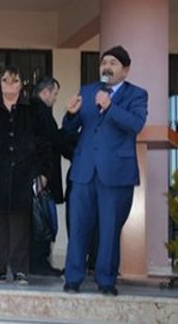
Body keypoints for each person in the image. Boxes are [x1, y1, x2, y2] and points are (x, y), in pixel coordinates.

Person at [62, 46, 148, 296]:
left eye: (113, 63)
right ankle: (73, 278)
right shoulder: (87, 91)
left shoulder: (137, 95)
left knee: (110, 229)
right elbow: (70, 129)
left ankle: (106, 280)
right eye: (104, 62)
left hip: (116, 173)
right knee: (78, 227)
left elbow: (136, 124)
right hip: (84, 170)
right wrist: (70, 114)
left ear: (125, 69)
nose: (106, 67)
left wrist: (110, 107)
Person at [0, 66, 49, 286]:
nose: (10, 85)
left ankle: (19, 270)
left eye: (14, 81)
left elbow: (44, 143)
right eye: (5, 81)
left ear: (21, 85)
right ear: (0, 83)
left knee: (20, 224)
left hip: (24, 174)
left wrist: (43, 173)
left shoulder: (33, 108)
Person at [29, 76, 70, 276]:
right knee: (42, 219)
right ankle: (38, 262)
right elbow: (51, 140)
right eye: (54, 94)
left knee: (40, 218)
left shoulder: (33, 110)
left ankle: (36, 261)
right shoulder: (40, 111)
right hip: (41, 176)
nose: (55, 99)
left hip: (39, 174)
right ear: (45, 92)